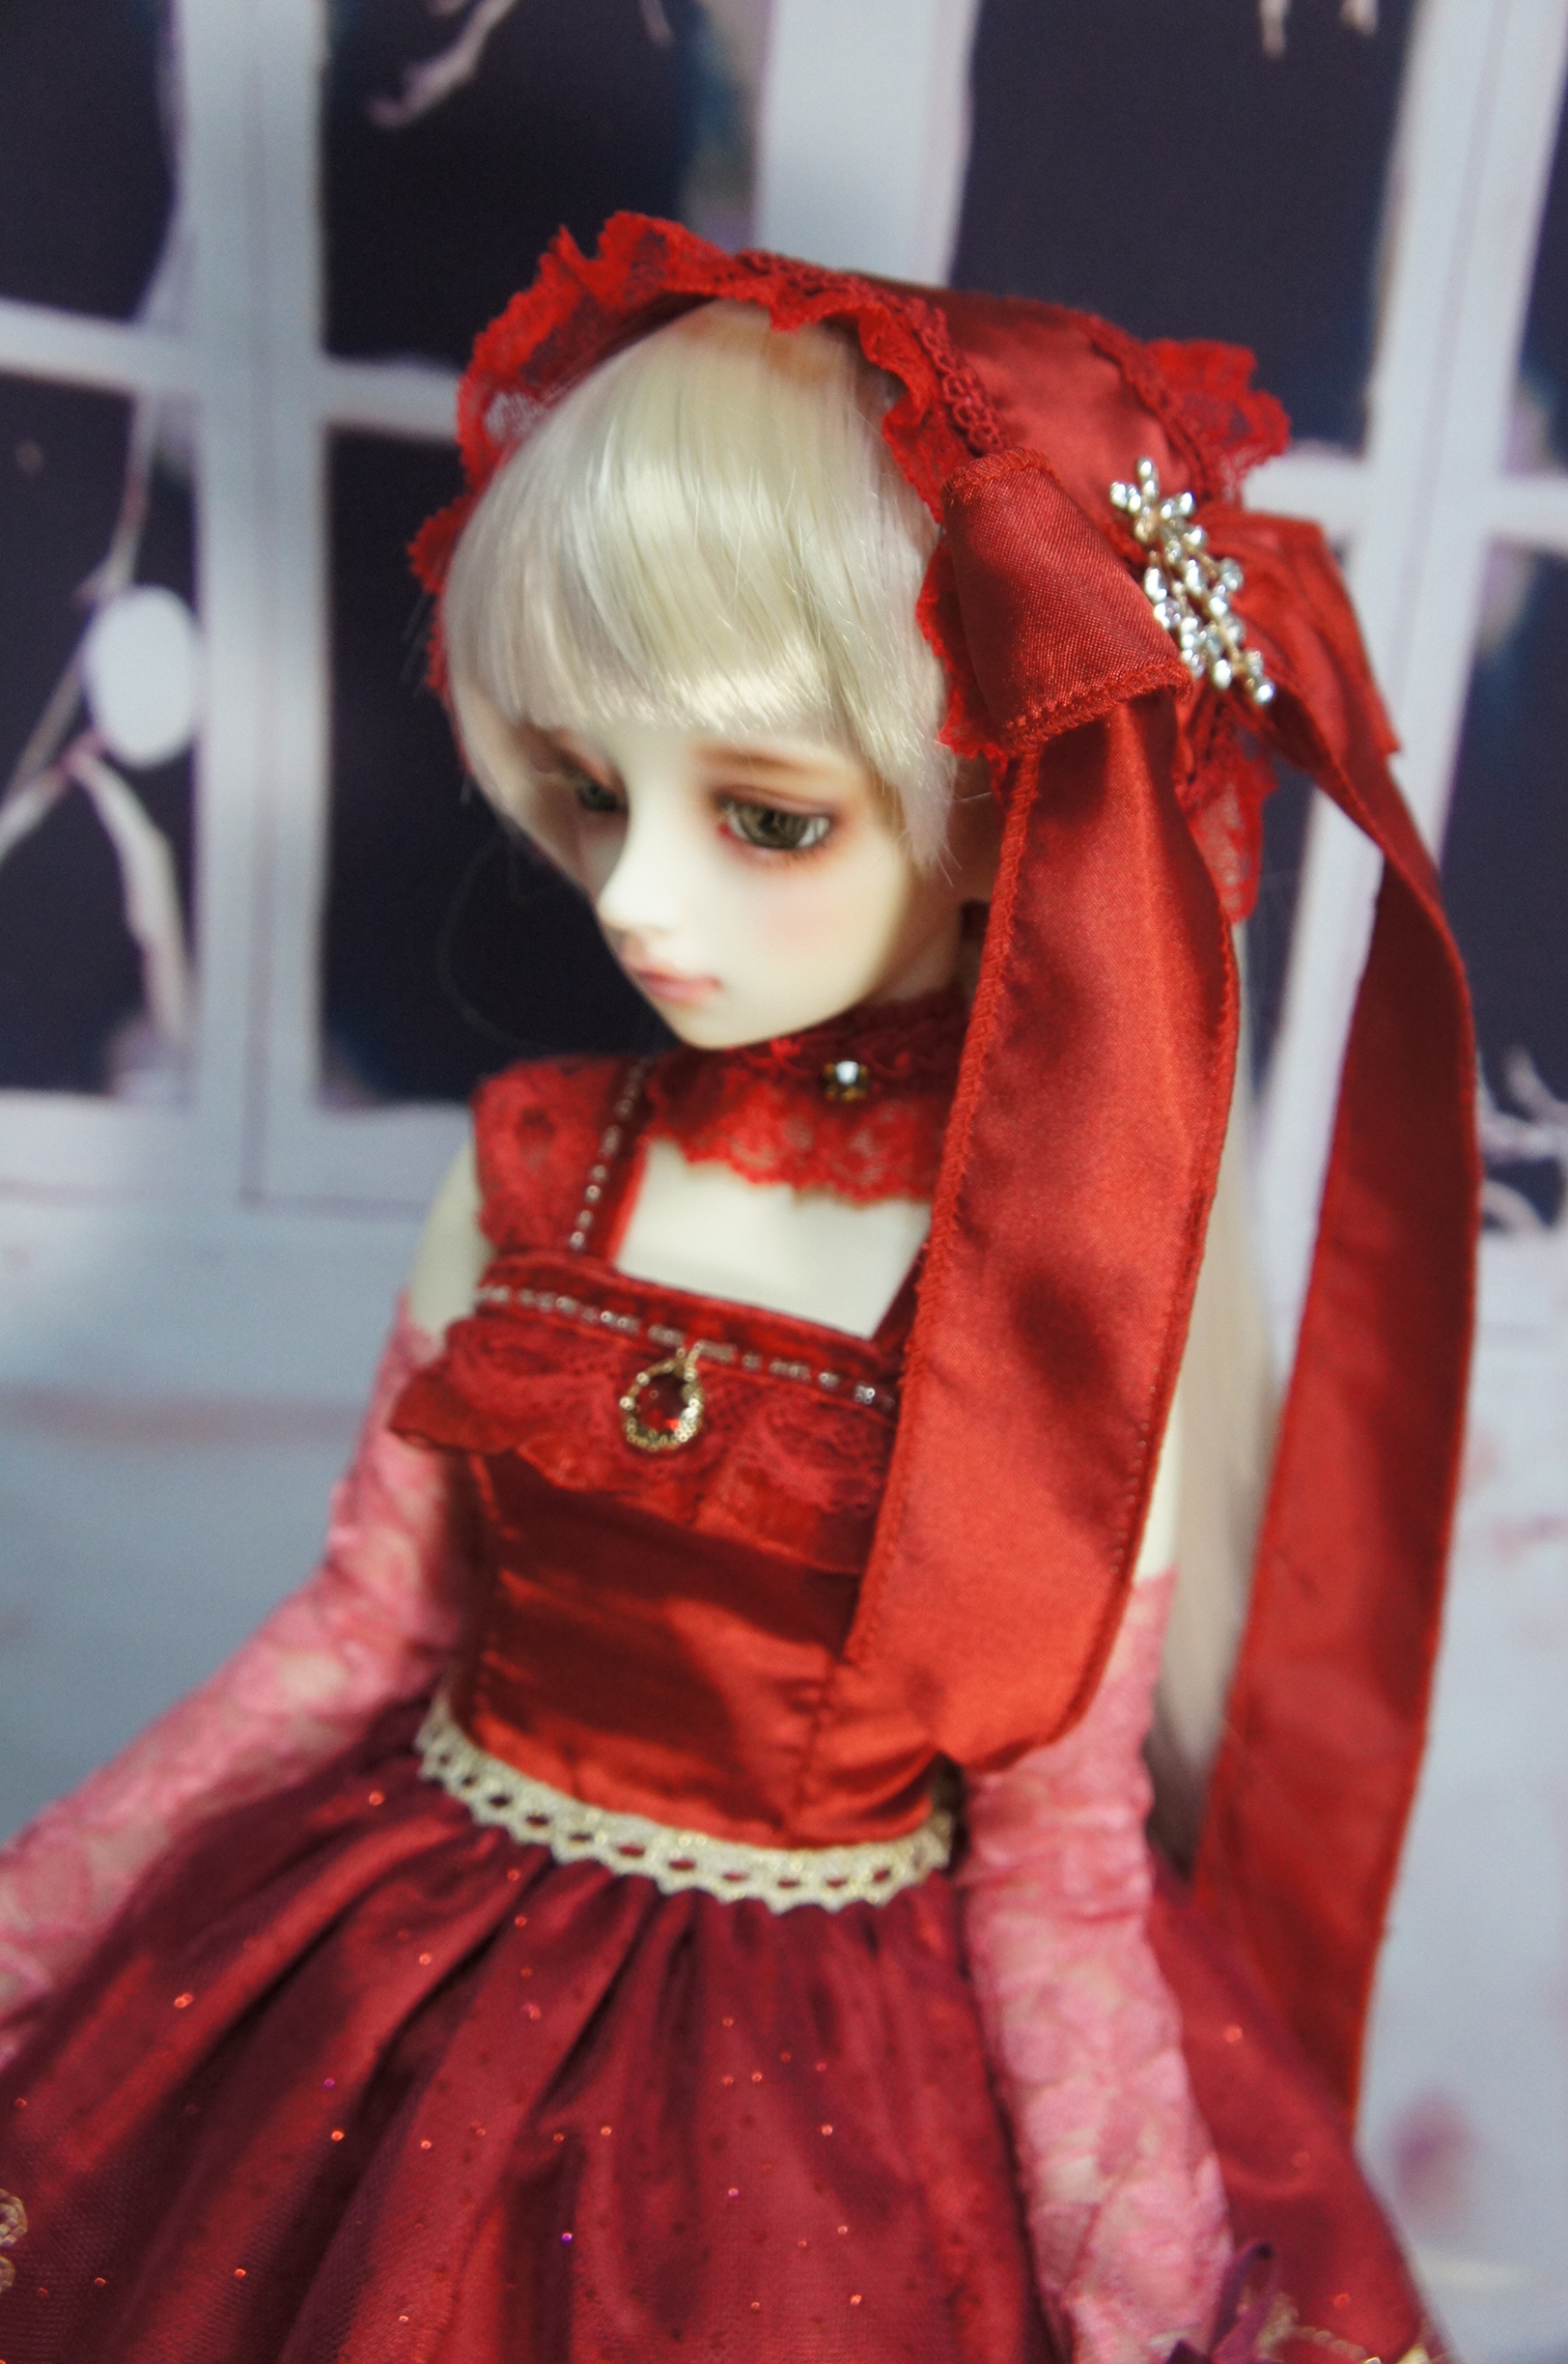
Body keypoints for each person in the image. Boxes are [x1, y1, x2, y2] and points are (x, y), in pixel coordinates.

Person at [0, 216, 1477, 2364]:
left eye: (768, 820)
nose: (639, 901)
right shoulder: (537, 1159)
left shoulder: (1055, 1293)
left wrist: (1146, 2297)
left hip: (827, 2093)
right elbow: (355, 1632)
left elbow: (1055, 1857)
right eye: (594, 795)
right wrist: (42, 1924)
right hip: (402, 1970)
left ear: (1003, 810)